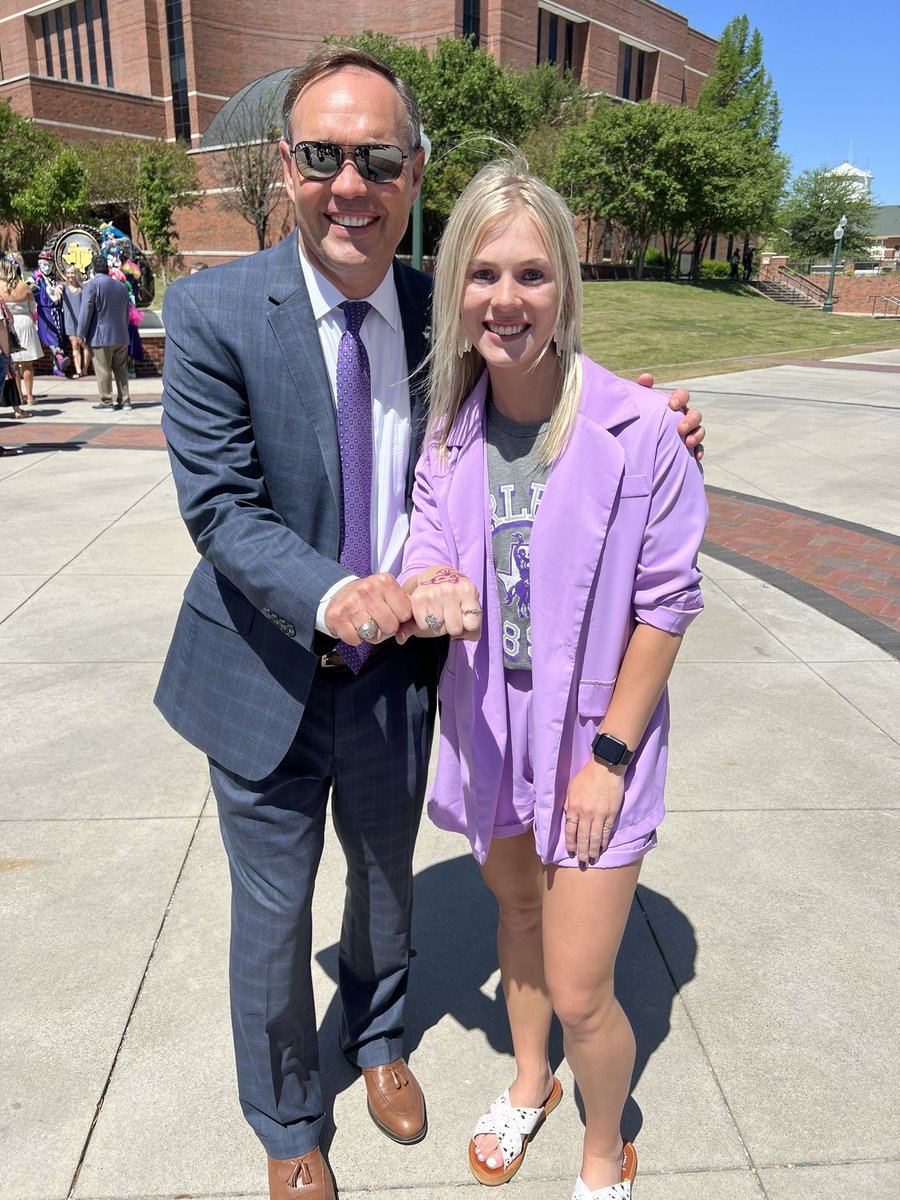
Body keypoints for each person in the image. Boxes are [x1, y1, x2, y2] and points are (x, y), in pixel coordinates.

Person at [153, 47, 705, 1200]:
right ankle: (292, 1123)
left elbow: (544, 372)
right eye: (322, 157)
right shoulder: (209, 310)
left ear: (413, 172)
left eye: (377, 158)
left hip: (403, 680)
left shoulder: (435, 306)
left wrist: (654, 416)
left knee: (389, 885)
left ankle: (384, 1041)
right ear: (285, 166)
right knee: (273, 913)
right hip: (264, 669)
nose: (349, 184)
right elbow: (220, 506)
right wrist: (338, 593)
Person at [395, 160, 708, 1200]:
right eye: (483, 274)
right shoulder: (451, 434)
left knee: (581, 990)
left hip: (596, 742)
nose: (507, 299)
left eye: (532, 273)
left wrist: (610, 759)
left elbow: (665, 606)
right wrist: (431, 589)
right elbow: (426, 554)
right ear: (457, 291)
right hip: (492, 729)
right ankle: (529, 1084)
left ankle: (601, 1139)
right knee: (517, 924)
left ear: (566, 285)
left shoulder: (639, 430)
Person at [78, 254, 132, 411]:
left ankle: (106, 401)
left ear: (93, 270)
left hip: (101, 336)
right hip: (121, 334)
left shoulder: (92, 285)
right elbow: (126, 312)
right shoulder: (122, 287)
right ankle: (125, 400)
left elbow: (85, 311)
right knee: (121, 369)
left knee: (103, 369)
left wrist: (81, 333)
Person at [0, 257, 42, 409]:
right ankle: (30, 395)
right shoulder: (24, 286)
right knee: (27, 363)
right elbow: (32, 308)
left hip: (8, 324)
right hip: (25, 322)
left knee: (14, 364)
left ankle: (19, 397)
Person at [61, 266, 91, 378]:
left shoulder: (82, 288)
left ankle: (85, 369)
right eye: (68, 273)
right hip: (69, 321)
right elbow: (58, 287)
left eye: (72, 273)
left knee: (85, 345)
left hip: (82, 321)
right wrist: (57, 290)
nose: (70, 275)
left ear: (76, 274)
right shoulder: (64, 287)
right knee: (75, 345)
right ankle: (78, 371)